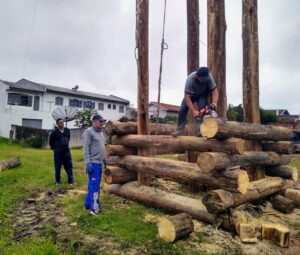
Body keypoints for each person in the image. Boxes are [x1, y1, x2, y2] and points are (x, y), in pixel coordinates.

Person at [172, 66, 219, 136]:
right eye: (203, 80)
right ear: (197, 76)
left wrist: (214, 102)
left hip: (202, 95)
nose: (205, 81)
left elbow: (214, 91)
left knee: (202, 110)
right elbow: (187, 97)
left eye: (206, 80)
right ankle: (179, 130)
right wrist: (193, 111)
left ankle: (199, 132)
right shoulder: (190, 79)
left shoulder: (209, 77)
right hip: (191, 95)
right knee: (183, 109)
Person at [82, 114, 107, 215]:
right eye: (100, 122)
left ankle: (88, 205)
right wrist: (88, 162)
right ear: (94, 121)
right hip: (93, 163)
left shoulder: (100, 132)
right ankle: (95, 209)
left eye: (103, 122)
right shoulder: (88, 132)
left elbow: (101, 147)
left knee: (92, 185)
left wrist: (104, 158)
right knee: (95, 186)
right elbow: (85, 148)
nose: (102, 123)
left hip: (99, 163)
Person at [49, 118, 74, 185]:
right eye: (60, 122)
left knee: (69, 166)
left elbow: (68, 138)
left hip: (66, 151)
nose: (62, 123)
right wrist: (53, 148)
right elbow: (51, 141)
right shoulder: (54, 132)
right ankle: (58, 181)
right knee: (58, 166)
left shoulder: (67, 130)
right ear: (57, 124)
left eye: (63, 122)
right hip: (58, 152)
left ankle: (71, 180)